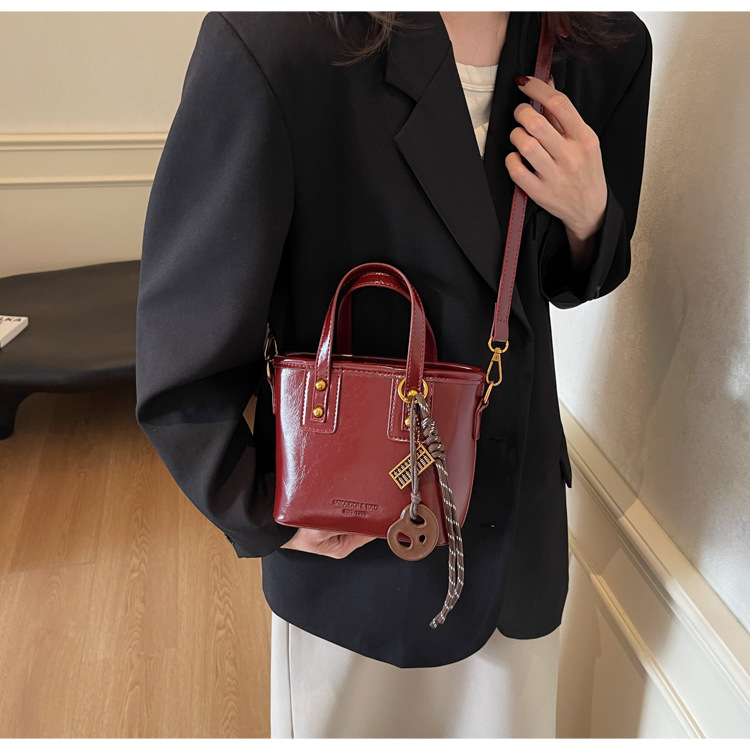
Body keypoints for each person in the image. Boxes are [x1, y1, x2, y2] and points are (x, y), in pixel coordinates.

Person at [135, 10, 652, 738]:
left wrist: (591, 217)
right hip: (353, 544)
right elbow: (189, 323)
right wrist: (251, 502)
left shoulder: (603, 46)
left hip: (517, 529)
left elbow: (559, 279)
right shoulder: (280, 39)